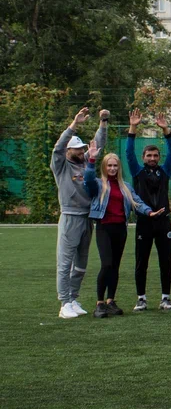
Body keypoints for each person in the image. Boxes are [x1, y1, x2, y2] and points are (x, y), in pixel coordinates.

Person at [83, 146, 158, 317]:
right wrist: (91, 160)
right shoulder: (98, 184)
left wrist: (149, 212)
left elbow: (137, 202)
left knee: (115, 266)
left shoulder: (126, 186)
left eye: (115, 166)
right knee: (107, 264)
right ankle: (99, 303)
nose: (112, 169)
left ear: (119, 168)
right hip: (104, 228)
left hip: (120, 229)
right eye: (109, 166)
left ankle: (111, 301)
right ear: (104, 167)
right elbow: (87, 180)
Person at [52, 107, 109, 317]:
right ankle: (64, 302)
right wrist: (74, 125)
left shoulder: (84, 162)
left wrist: (103, 123)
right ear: (68, 151)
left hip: (87, 218)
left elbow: (98, 146)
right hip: (70, 217)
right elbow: (57, 149)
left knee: (81, 264)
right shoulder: (61, 166)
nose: (79, 151)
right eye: (75, 149)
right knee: (65, 263)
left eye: (80, 148)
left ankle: (73, 298)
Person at [125, 110, 171, 312]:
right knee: (141, 261)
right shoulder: (138, 172)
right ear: (143, 157)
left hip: (164, 222)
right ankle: (141, 298)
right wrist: (133, 128)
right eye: (149, 155)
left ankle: (165, 298)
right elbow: (128, 152)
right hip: (144, 222)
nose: (152, 158)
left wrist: (165, 130)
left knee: (166, 260)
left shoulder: (165, 171)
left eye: (155, 155)